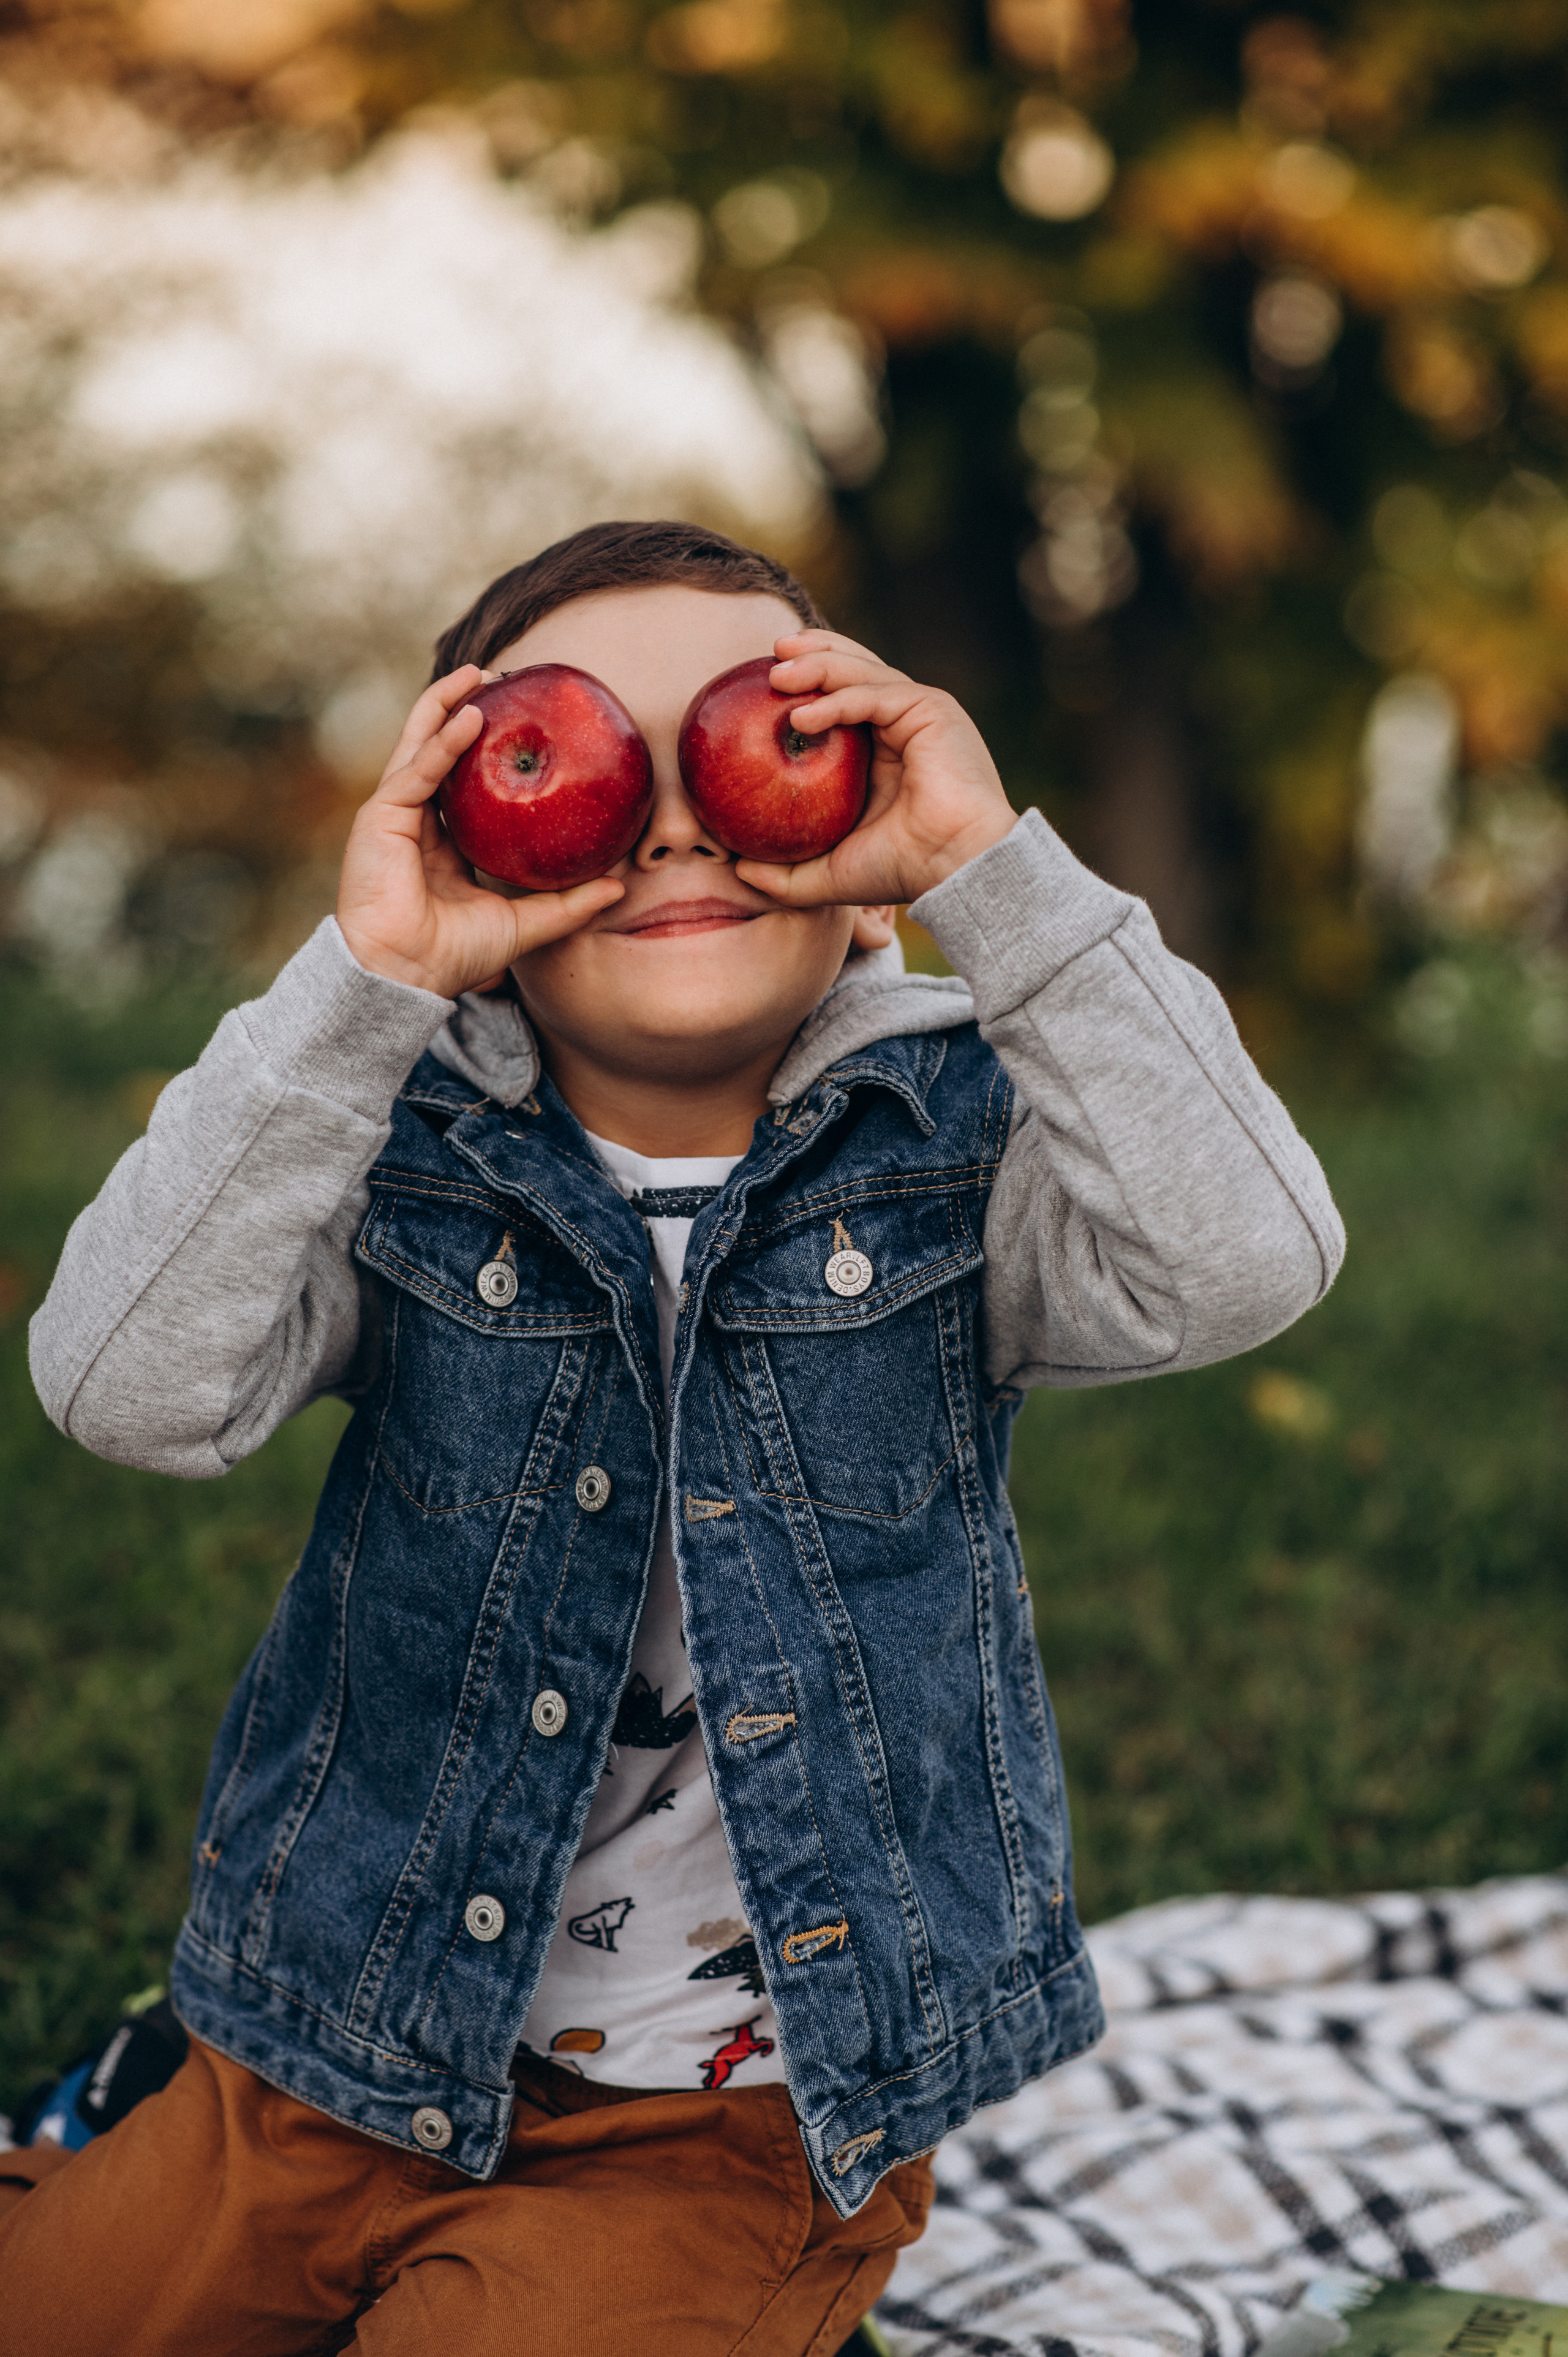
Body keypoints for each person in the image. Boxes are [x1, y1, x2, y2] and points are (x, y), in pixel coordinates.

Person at [9, 520, 1344, 2354]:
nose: (674, 827)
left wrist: (992, 869)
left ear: (866, 861)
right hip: (333, 2041)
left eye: (754, 741)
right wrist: (364, 981)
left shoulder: (961, 1161)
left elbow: (1252, 1256)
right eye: (585, 760)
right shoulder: (397, 1148)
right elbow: (121, 1388)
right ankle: (138, 2110)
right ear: (473, 844)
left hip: (726, 2116)